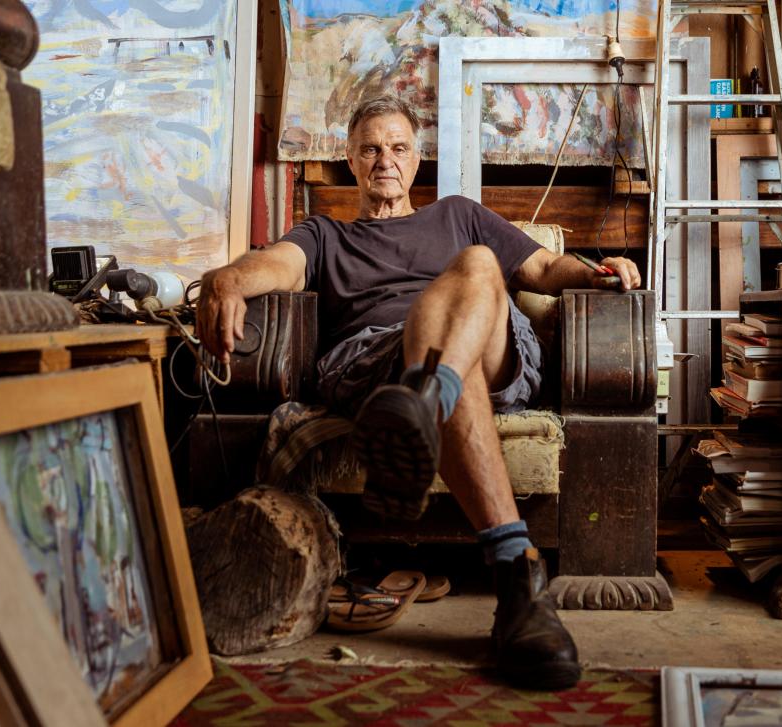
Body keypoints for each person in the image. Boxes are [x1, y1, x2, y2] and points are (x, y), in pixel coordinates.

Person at [197, 94, 641, 691]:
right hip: (374, 359)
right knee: (443, 360)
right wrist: (226, 279)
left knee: (481, 262)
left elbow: (538, 271)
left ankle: (423, 404)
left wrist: (596, 271)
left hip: (486, 347)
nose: (386, 159)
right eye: (372, 148)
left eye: (399, 148)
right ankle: (517, 582)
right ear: (351, 160)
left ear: (417, 159)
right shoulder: (323, 235)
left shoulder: (458, 215)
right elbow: (273, 264)